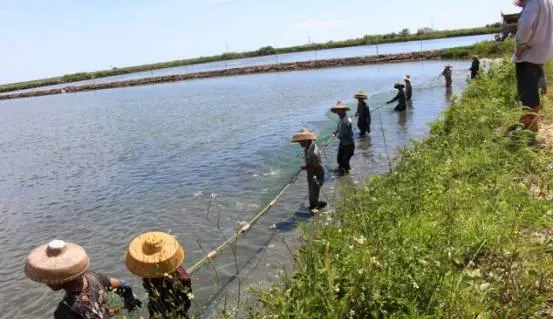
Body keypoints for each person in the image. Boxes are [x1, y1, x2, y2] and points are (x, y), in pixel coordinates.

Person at [24, 239, 141, 319]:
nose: (45, 282)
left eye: (47, 277)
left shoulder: (65, 311)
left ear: (57, 281)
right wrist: (129, 303)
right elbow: (124, 285)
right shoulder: (94, 277)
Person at [125, 231, 192, 318]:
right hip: (160, 309)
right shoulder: (148, 272)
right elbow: (187, 303)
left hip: (171, 312)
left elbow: (186, 303)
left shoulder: (182, 278)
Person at [512, 0, 553, 132]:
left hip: (528, 55)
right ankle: (528, 124)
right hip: (541, 53)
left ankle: (530, 128)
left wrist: (521, 46)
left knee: (528, 96)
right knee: (532, 93)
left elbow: (525, 25)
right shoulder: (548, 2)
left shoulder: (533, 3)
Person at [292, 128, 327, 213]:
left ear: (307, 140)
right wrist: (307, 167)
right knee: (312, 193)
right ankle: (316, 205)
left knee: (313, 195)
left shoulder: (313, 152)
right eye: (299, 141)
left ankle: (318, 206)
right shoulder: (308, 147)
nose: (300, 143)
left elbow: (317, 166)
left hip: (316, 174)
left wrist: (306, 167)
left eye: (301, 141)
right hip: (311, 173)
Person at [331, 101, 355, 174]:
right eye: (337, 110)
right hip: (342, 144)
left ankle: (348, 175)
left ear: (343, 110)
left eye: (339, 110)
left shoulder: (347, 120)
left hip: (349, 145)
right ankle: (342, 171)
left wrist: (337, 136)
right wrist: (335, 132)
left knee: (345, 161)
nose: (337, 112)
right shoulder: (340, 119)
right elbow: (339, 128)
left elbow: (344, 134)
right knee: (339, 160)